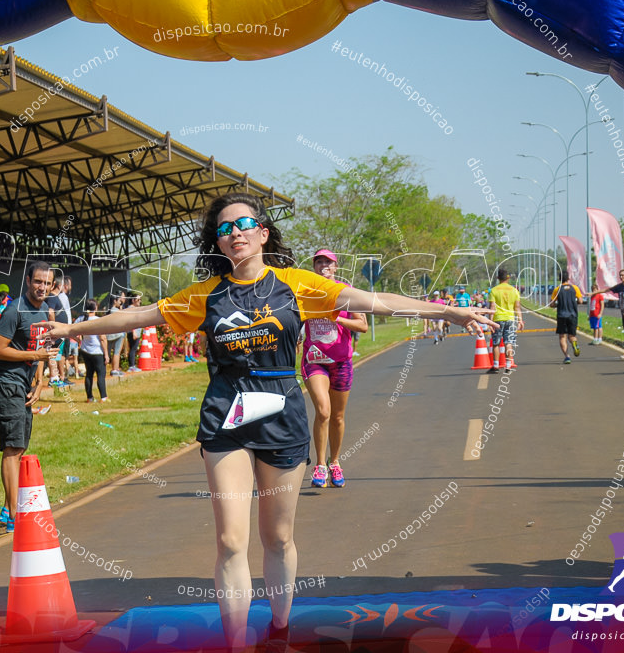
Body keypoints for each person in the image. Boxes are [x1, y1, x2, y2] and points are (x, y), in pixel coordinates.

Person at [34, 193, 494, 651]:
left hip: (281, 413)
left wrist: (446, 310)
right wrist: (71, 330)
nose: (234, 233)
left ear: (263, 233)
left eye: (243, 224)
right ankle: (236, 642)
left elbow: (376, 302)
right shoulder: (206, 295)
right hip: (225, 417)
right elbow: (140, 314)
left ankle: (279, 627)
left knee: (277, 537)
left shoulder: (297, 284)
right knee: (231, 540)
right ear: (218, 242)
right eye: (224, 228)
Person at [0, 262, 56, 532]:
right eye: (37, 281)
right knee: (13, 448)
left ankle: (8, 509)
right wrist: (34, 357)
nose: (42, 287)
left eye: (47, 283)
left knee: (20, 447)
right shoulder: (15, 310)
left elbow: (42, 349)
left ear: (52, 286)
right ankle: (15, 515)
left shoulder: (44, 313)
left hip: (25, 385)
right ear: (28, 280)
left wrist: (39, 382)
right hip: (6, 384)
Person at [301, 249, 367, 489]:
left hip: (341, 361)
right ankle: (319, 465)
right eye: (319, 262)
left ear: (336, 267)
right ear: (314, 267)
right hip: (314, 359)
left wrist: (336, 318)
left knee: (338, 416)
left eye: (328, 262)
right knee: (323, 410)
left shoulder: (345, 292)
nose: (323, 266)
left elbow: (362, 325)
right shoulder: (305, 291)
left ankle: (335, 462)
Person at [487, 269, 523, 373]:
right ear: (508, 278)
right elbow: (517, 308)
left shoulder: (494, 290)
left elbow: (492, 307)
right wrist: (520, 320)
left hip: (498, 319)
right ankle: (508, 366)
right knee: (509, 342)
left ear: (498, 278)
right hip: (510, 319)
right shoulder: (514, 290)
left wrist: (490, 322)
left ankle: (496, 366)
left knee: (496, 343)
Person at [74, 300, 109, 402]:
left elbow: (70, 330)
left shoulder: (81, 319)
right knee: (100, 374)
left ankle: (89, 397)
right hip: (97, 351)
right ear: (96, 308)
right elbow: (103, 339)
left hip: (85, 350)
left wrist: (79, 340)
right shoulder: (98, 320)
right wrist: (106, 354)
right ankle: (103, 397)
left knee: (89, 374)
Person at [550, 271, 583, 364]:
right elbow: (580, 301)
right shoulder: (575, 288)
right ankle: (574, 344)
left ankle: (567, 356)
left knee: (562, 337)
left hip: (561, 315)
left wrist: (557, 304)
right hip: (573, 315)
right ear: (568, 278)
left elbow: (551, 303)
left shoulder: (557, 289)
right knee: (572, 336)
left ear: (560, 279)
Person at [106, 292, 127, 376]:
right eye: (119, 300)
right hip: (118, 334)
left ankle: (109, 369)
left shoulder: (108, 310)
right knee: (116, 352)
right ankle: (115, 369)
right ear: (115, 301)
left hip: (110, 335)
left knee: (107, 352)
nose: (120, 302)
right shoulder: (116, 311)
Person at [125, 293, 143, 372]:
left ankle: (132, 365)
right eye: (138, 299)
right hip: (133, 332)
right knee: (133, 349)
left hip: (134, 331)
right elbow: (130, 321)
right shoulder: (132, 309)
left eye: (140, 299)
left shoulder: (133, 308)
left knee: (133, 349)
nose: (140, 301)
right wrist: (134, 332)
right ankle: (131, 366)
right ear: (133, 300)